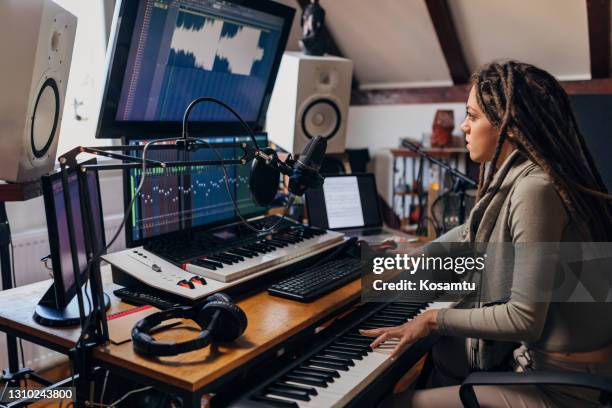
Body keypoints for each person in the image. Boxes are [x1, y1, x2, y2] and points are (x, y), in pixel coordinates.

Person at [361, 60, 612, 407]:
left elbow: (524, 319)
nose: (463, 126)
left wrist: (433, 318)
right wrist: (408, 257)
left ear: (508, 125)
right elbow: (471, 234)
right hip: (556, 368)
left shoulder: (535, 190)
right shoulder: (528, 176)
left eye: (473, 115)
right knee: (444, 358)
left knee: (392, 404)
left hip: (564, 388)